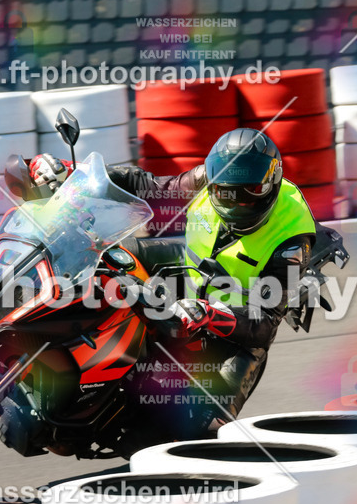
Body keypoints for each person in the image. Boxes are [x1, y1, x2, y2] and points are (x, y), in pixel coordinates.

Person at [28, 128, 321, 447]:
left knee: (202, 430)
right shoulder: (208, 179)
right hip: (191, 268)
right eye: (225, 193)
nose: (235, 204)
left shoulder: (291, 242)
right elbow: (148, 186)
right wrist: (73, 174)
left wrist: (210, 314)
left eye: (247, 192)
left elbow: (264, 324)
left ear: (270, 187)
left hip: (235, 331)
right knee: (108, 256)